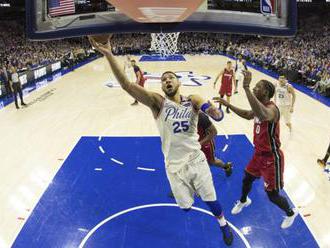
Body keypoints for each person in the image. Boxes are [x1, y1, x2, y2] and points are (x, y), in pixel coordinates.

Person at [89, 36, 233, 246]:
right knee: (185, 206)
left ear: (178, 82)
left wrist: (214, 111)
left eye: (171, 77)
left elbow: (206, 107)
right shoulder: (157, 103)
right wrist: (109, 55)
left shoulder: (192, 99)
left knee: (211, 201)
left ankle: (223, 224)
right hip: (173, 166)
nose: (167, 80)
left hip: (196, 161)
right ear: (162, 85)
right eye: (164, 78)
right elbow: (127, 85)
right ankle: (192, 191)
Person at [214, 70, 298, 229]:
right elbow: (248, 114)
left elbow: (263, 114)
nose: (254, 89)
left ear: (266, 92)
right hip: (258, 154)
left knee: (272, 195)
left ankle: (290, 212)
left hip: (272, 158)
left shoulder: (272, 109)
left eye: (257, 87)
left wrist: (245, 87)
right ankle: (244, 200)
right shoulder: (260, 106)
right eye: (253, 87)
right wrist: (228, 105)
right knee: (247, 178)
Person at [198, 112, 233, 177]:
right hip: (193, 143)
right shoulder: (182, 116)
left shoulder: (201, 117)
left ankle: (226, 166)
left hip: (205, 144)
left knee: (211, 162)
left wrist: (200, 143)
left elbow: (214, 132)